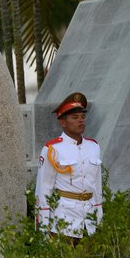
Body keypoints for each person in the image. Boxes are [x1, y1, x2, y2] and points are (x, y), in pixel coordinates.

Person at [35, 92, 103, 240]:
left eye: (82, 117)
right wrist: (43, 229)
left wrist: (100, 219)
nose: (81, 121)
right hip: (64, 222)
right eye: (75, 117)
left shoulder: (94, 146)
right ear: (63, 122)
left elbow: (97, 187)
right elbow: (43, 189)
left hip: (90, 223)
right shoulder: (52, 149)